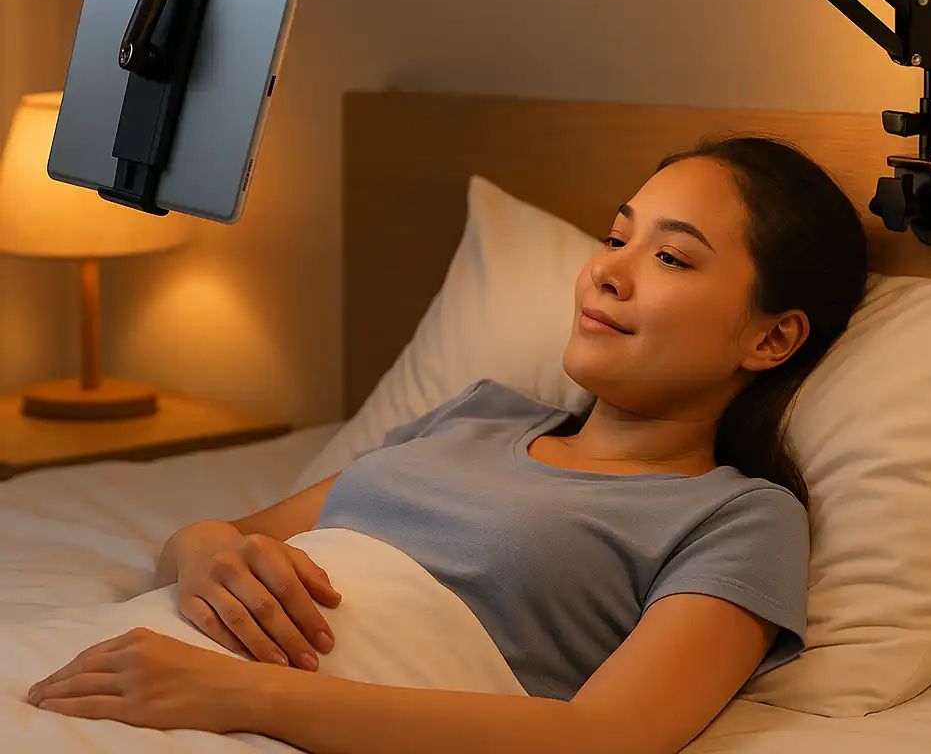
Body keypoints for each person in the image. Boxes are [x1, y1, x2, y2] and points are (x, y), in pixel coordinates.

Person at [26, 135, 868, 754]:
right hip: (122, 661)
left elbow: (608, 738)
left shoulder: (737, 515)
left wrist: (240, 693)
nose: (608, 270)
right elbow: (221, 539)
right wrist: (210, 549)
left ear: (771, 339)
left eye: (674, 258)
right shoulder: (478, 417)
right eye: (617, 238)